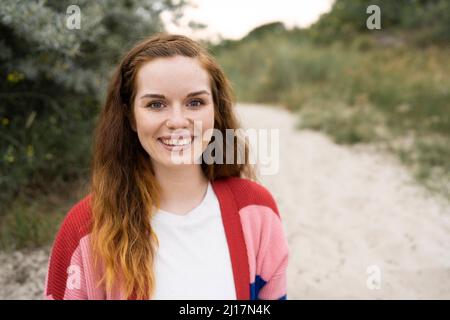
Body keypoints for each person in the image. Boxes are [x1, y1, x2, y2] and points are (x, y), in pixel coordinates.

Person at [43, 33, 289, 300]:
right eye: (156, 104)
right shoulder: (84, 229)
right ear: (131, 117)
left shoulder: (255, 210)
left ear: (215, 110)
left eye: (195, 102)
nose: (177, 121)